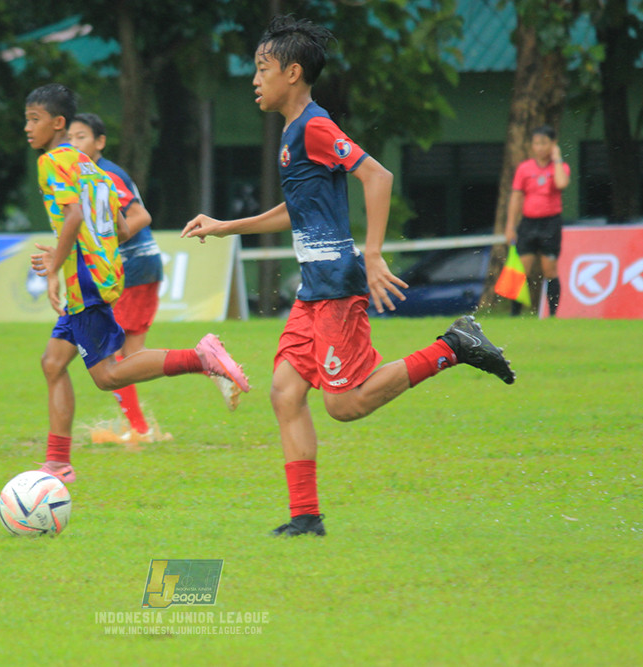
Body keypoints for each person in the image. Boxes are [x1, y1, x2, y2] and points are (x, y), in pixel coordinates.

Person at [181, 16, 516, 537]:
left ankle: (454, 346)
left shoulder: (314, 127)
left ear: (293, 73)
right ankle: (305, 518)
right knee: (285, 392)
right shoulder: (294, 132)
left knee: (344, 403)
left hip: (336, 285)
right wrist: (227, 227)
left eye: (263, 69)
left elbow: (376, 175)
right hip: (313, 290)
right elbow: (296, 209)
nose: (255, 79)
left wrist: (374, 254)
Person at [24, 83, 250, 484]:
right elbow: (124, 228)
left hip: (85, 282)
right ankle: (58, 462)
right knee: (53, 363)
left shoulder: (51, 162)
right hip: (101, 274)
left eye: (34, 119)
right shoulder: (92, 167)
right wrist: (75, 250)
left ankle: (201, 358)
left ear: (57, 123)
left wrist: (57, 266)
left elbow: (73, 216)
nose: (27, 127)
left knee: (108, 374)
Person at [68, 113, 241, 441]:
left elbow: (140, 216)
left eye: (81, 137)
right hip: (136, 267)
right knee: (128, 355)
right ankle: (141, 428)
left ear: (100, 142)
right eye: (70, 138)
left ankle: (197, 364)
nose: (73, 144)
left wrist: (101, 248)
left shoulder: (104, 174)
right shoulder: (88, 175)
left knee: (111, 358)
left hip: (130, 267)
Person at [504, 125, 571, 317]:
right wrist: (510, 225)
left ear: (553, 144)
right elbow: (516, 197)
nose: (540, 147)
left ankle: (552, 315)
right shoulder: (524, 168)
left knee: (549, 269)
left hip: (550, 223)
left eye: (544, 143)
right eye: (536, 143)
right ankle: (515, 314)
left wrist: (557, 158)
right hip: (528, 223)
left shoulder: (561, 167)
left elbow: (561, 183)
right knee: (521, 268)